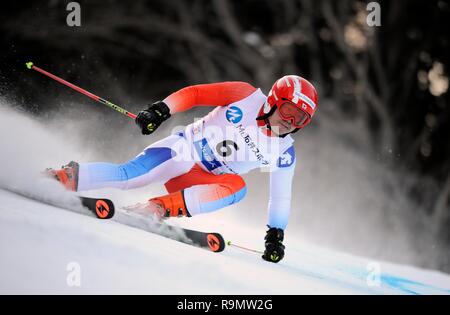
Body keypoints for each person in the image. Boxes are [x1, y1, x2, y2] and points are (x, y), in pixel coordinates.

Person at [48, 75, 318, 263]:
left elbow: (280, 196)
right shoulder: (245, 95)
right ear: (273, 101)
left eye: (300, 120)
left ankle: (157, 208)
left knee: (238, 188)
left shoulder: (284, 151)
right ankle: (68, 176)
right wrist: (161, 110)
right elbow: (196, 93)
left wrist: (275, 235)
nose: (290, 122)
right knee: (130, 176)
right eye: (288, 111)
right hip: (183, 150)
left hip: (199, 180)